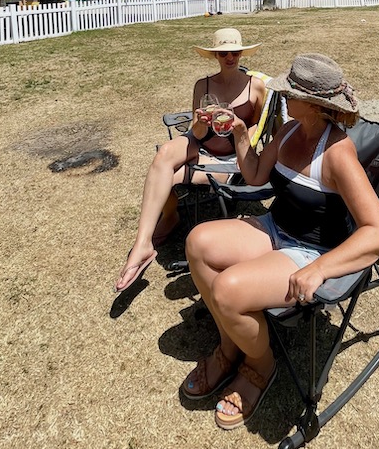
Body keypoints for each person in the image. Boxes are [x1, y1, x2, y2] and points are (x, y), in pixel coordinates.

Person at [181, 53, 379, 430]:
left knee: (227, 290)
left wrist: (320, 269)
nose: (281, 97)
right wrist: (241, 134)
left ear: (312, 104)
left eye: (288, 92)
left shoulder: (338, 153)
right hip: (277, 227)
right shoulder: (290, 130)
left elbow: (377, 232)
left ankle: (261, 365)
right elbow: (257, 173)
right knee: (198, 242)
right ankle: (232, 345)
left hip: (312, 250)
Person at [114, 28, 266, 292]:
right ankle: (142, 244)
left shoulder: (256, 86)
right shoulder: (203, 85)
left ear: (241, 53)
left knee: (167, 178)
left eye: (234, 52)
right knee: (162, 156)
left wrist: (240, 133)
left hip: (230, 155)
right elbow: (196, 133)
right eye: (223, 53)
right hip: (202, 145)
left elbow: (259, 128)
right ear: (215, 56)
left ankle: (169, 218)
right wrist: (200, 123)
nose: (229, 57)